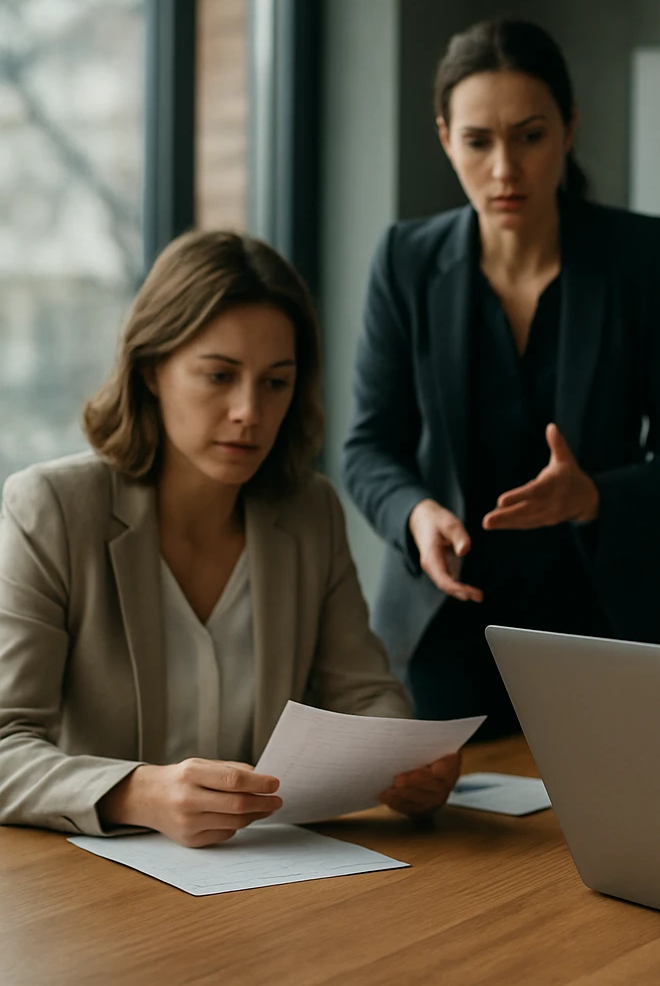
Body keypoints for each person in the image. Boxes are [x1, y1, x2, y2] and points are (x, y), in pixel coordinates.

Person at [0, 231, 457, 848]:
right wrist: (138, 791)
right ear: (151, 369)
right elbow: (5, 745)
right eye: (220, 375)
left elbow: (366, 694)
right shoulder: (51, 509)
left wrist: (408, 765)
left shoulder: (310, 511)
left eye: (276, 383)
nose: (249, 411)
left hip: (270, 868)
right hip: (97, 879)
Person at [343, 19, 660, 740]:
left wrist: (595, 496)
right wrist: (416, 515)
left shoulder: (642, 257)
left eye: (529, 136)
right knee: (453, 817)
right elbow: (367, 448)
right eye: (478, 141)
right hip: (447, 625)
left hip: (608, 625)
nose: (504, 170)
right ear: (445, 138)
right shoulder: (405, 260)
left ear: (569, 128)